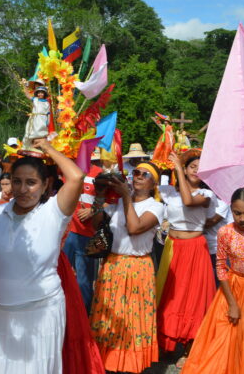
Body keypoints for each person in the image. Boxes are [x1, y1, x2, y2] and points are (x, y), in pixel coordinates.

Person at [0, 138, 84, 373]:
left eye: (31, 183)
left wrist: (49, 149)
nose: (22, 189)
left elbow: (76, 177)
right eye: (17, 181)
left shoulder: (54, 211)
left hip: (41, 312)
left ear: (45, 184)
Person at [182, 188, 244, 374]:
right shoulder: (225, 232)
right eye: (237, 213)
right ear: (231, 210)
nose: (242, 219)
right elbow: (220, 267)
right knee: (224, 334)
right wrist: (232, 303)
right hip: (233, 287)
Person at [89, 162, 164, 373]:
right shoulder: (118, 203)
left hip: (138, 267)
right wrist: (100, 196)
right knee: (110, 315)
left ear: (154, 184)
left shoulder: (156, 206)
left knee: (132, 318)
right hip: (112, 265)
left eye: (145, 174)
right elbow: (96, 225)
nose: (138, 176)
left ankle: (129, 365)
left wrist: (125, 197)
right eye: (136, 172)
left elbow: (135, 228)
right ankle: (109, 362)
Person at [155, 149, 216, 367]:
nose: (196, 171)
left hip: (195, 249)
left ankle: (190, 349)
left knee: (194, 298)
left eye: (200, 168)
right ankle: (167, 344)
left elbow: (188, 201)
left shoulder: (207, 195)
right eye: (192, 166)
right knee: (171, 294)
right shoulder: (168, 191)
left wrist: (179, 168)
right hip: (173, 247)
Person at [62, 161, 103, 314]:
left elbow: (111, 201)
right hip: (67, 232)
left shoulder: (100, 173)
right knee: (62, 275)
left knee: (84, 281)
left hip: (89, 234)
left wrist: (92, 210)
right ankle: (66, 314)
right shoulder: (68, 168)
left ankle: (85, 317)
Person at [22, 84, 50, 151]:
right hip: (35, 118)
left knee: (41, 132)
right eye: (39, 93)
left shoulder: (47, 103)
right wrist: (25, 87)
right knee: (32, 132)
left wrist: (47, 121)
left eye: (42, 93)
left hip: (43, 119)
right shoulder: (35, 100)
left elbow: (48, 113)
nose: (40, 94)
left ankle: (39, 147)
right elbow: (27, 95)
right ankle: (28, 146)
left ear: (44, 94)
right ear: (37, 94)